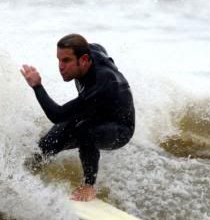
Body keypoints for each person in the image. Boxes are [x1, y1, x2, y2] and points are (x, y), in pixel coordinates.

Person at [20, 34, 135, 201]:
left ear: (84, 60)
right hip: (93, 112)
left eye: (66, 61)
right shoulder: (90, 51)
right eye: (59, 60)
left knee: (84, 130)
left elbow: (57, 115)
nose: (60, 66)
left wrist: (37, 86)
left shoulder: (100, 86)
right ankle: (27, 174)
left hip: (119, 129)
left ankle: (89, 185)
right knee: (46, 146)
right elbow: (98, 47)